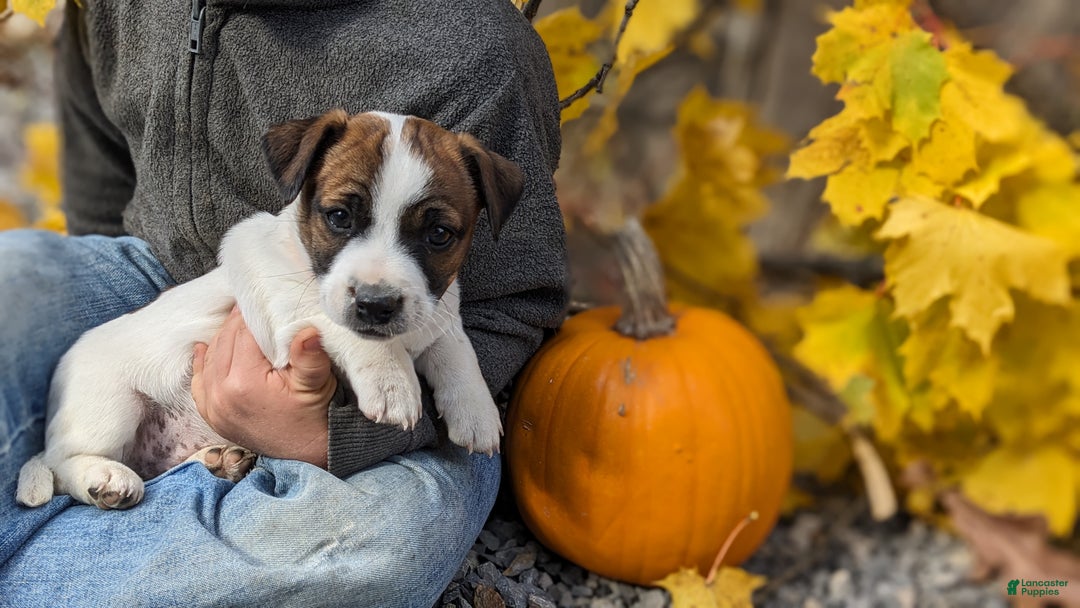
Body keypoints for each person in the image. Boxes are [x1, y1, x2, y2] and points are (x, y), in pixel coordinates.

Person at [0, 0, 567, 605]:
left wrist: (341, 434)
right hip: (159, 311)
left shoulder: (477, 48)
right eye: (343, 217)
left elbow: (510, 304)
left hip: (373, 425)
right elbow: (101, 199)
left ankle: (76, 551)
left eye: (433, 234)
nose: (377, 279)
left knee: (392, 538)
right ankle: (170, 530)